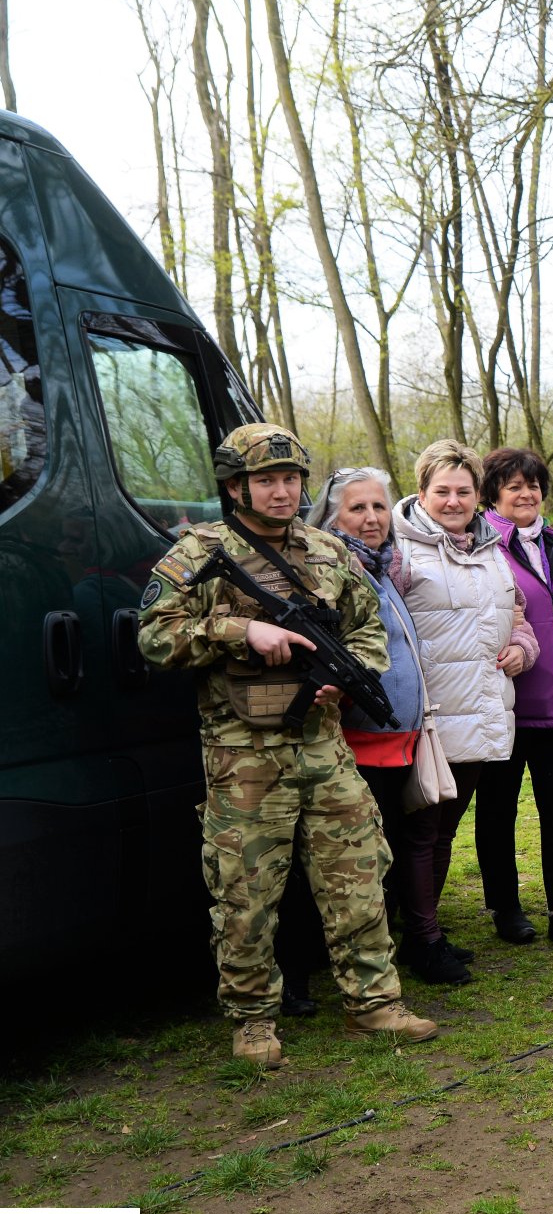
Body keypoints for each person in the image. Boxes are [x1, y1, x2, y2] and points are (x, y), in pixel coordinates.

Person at [136, 424, 436, 1067]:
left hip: (324, 746)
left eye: (291, 479)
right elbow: (154, 637)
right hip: (243, 753)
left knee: (359, 873)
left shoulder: (330, 551)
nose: (281, 491)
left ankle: (374, 1002)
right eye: (266, 480)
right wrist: (241, 630)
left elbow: (367, 631)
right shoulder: (199, 552)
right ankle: (251, 1020)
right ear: (237, 486)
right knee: (246, 894)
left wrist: (341, 679)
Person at [389, 440, 540, 984]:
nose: (453, 502)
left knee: (445, 828)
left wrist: (522, 648)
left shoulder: (491, 548)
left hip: (482, 708)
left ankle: (422, 933)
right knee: (422, 829)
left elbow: (516, 614)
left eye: (464, 491)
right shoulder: (399, 550)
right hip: (429, 717)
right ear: (422, 491)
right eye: (442, 491)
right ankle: (423, 941)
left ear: (479, 495)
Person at [287, 467, 428, 1013]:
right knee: (322, 863)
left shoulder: (385, 568)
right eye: (357, 509)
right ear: (331, 516)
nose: (371, 519)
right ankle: (297, 971)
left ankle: (375, 962)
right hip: (347, 743)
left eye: (378, 508)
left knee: (379, 858)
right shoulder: (329, 570)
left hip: (394, 740)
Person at [472, 447, 553, 951]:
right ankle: (505, 907)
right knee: (497, 810)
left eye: (534, 484)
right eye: (514, 486)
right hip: (507, 704)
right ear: (493, 495)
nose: (527, 493)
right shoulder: (480, 549)